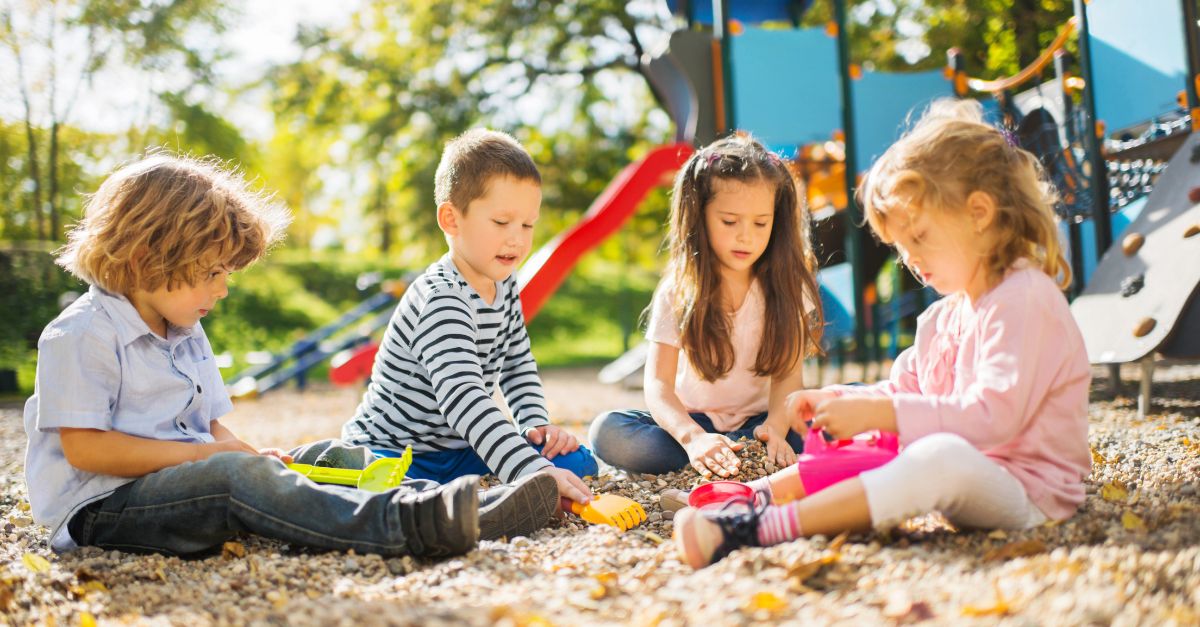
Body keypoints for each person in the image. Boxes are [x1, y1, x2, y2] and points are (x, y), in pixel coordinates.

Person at [23, 153, 557, 557]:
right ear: (144, 260)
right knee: (236, 481)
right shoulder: (83, 333)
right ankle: (409, 526)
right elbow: (87, 450)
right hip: (103, 510)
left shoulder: (183, 328)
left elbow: (211, 431)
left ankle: (445, 502)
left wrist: (252, 455)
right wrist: (214, 461)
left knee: (318, 456)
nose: (224, 290)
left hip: (186, 482)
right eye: (213, 273)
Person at [673, 99, 1092, 569]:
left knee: (933, 450)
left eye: (919, 238)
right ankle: (753, 496)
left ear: (979, 214)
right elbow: (905, 391)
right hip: (964, 472)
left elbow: (994, 416)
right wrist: (839, 399)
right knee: (870, 432)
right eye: (901, 246)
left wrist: (881, 409)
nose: (910, 259)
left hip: (1028, 491)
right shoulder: (943, 317)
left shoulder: (1023, 297)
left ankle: (759, 529)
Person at [342, 129, 595, 505]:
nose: (518, 239)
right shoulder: (442, 298)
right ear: (451, 219)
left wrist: (534, 425)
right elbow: (465, 399)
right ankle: (451, 504)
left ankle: (471, 495)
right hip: (393, 450)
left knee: (578, 462)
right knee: (393, 497)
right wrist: (533, 470)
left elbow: (516, 364)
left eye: (527, 225)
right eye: (501, 222)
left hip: (460, 449)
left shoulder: (504, 286)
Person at [589, 135, 824, 477]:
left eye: (761, 223)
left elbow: (789, 377)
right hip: (694, 423)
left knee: (851, 408)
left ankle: (746, 448)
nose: (747, 236)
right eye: (730, 222)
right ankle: (721, 452)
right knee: (608, 432)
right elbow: (658, 385)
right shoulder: (678, 291)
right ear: (700, 217)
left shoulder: (789, 286)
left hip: (765, 422)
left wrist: (776, 428)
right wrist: (693, 438)